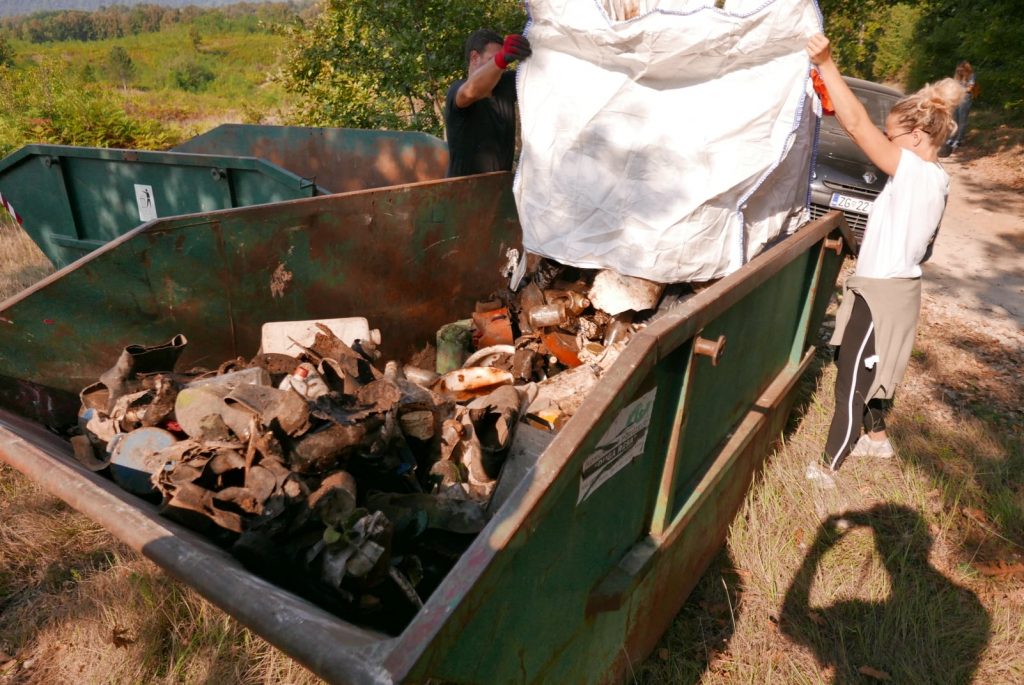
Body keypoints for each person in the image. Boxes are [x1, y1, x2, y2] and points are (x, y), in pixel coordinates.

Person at [805, 33, 963, 472]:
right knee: (867, 362)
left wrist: (827, 64)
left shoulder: (914, 171)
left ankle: (828, 468)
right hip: (890, 286)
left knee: (851, 379)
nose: (885, 142)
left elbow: (856, 124)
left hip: (883, 291)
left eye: (891, 136)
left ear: (914, 136)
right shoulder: (933, 178)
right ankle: (877, 439)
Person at [444, 29, 531, 178]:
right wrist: (502, 58)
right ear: (474, 57)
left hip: (500, 190)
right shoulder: (457, 89)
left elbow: (541, 75)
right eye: (493, 59)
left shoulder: (505, 84)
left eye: (504, 62)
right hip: (462, 193)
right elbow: (470, 92)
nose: (500, 67)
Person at [950, 60, 976, 149]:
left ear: (966, 69)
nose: (959, 71)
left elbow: (970, 88)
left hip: (965, 98)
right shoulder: (957, 76)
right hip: (956, 98)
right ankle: (952, 138)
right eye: (958, 70)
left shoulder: (971, 75)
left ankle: (959, 140)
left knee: (962, 120)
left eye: (961, 70)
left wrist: (960, 89)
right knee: (955, 119)